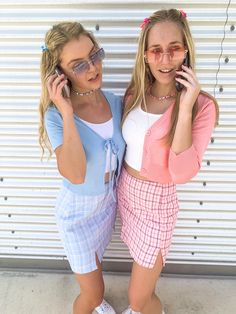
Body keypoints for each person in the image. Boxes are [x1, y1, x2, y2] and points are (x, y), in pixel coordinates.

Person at [117, 8, 219, 314]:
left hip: (157, 206)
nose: (165, 59)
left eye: (173, 49)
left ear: (186, 50)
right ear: (145, 55)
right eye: (156, 50)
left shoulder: (202, 107)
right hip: (126, 195)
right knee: (139, 272)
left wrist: (184, 107)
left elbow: (182, 172)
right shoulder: (136, 92)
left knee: (137, 298)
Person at [39, 22, 125, 314]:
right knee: (92, 294)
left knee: (95, 270)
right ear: (59, 74)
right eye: (78, 65)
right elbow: (75, 174)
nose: (93, 68)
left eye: (95, 55)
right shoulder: (56, 117)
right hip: (76, 215)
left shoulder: (115, 102)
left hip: (105, 207)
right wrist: (66, 111)